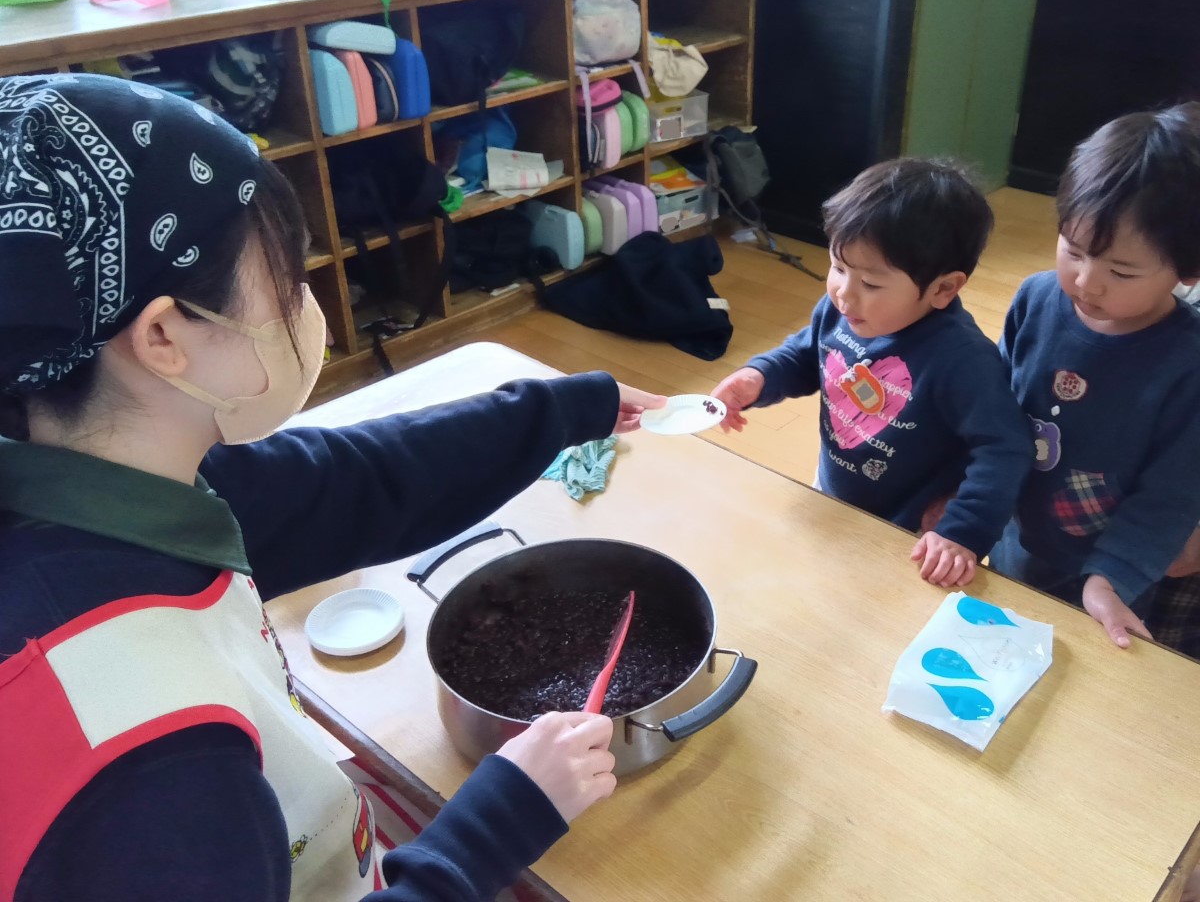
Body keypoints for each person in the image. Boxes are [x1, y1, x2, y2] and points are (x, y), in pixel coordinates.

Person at [0, 73, 665, 901]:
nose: (306, 306)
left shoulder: (108, 477)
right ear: (163, 336)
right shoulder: (149, 765)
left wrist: (570, 407)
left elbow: (358, 479)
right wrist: (499, 819)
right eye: (283, 284)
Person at [710, 158, 1032, 587]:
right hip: (833, 492)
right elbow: (807, 355)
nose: (844, 293)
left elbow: (1005, 450)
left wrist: (961, 531)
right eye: (838, 268)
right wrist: (758, 377)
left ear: (943, 288)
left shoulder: (964, 360)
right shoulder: (843, 311)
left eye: (872, 283)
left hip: (912, 530)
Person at [991, 103, 1200, 649]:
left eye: (1121, 271)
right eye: (1073, 250)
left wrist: (1111, 581)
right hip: (1014, 542)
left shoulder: (1188, 361)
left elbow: (1172, 494)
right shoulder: (1035, 298)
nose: (1087, 281)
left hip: (1113, 577)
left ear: (1188, 270)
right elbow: (989, 410)